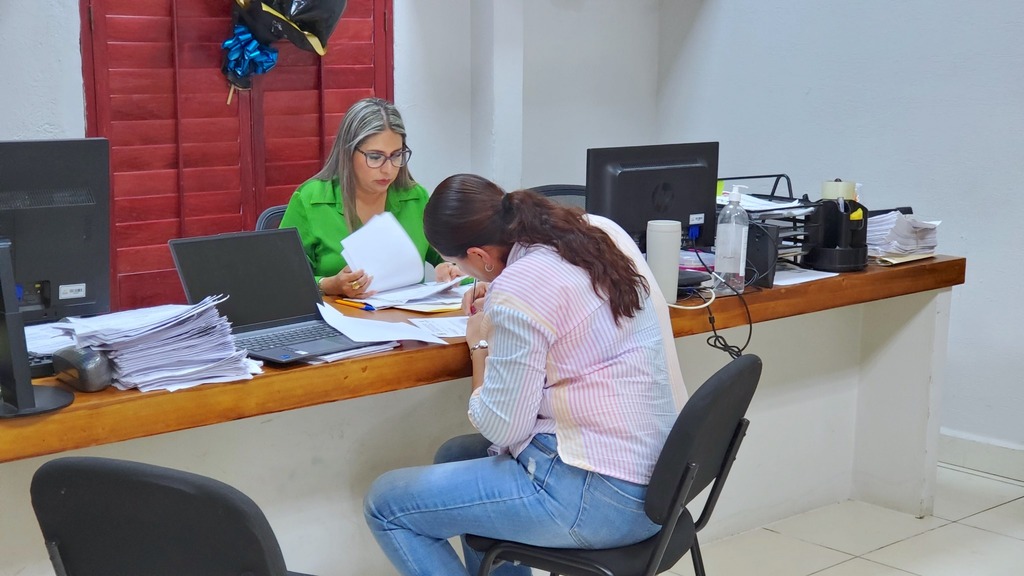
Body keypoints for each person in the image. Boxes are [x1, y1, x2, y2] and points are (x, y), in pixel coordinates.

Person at [363, 174, 685, 576]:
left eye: (458, 264)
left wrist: (480, 343)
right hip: (657, 480)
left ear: (479, 254)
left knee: (385, 504)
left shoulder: (521, 285)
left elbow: (502, 427)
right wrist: (501, 298)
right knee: (455, 456)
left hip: (600, 499)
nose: (464, 272)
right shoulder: (585, 237)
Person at [278, 97, 461, 298]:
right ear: (348, 152)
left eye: (396, 155)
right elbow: (282, 278)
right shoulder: (310, 200)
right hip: (337, 315)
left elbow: (458, 259)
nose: (388, 169)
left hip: (404, 314)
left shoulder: (415, 197)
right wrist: (329, 285)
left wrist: (451, 269)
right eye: (375, 157)